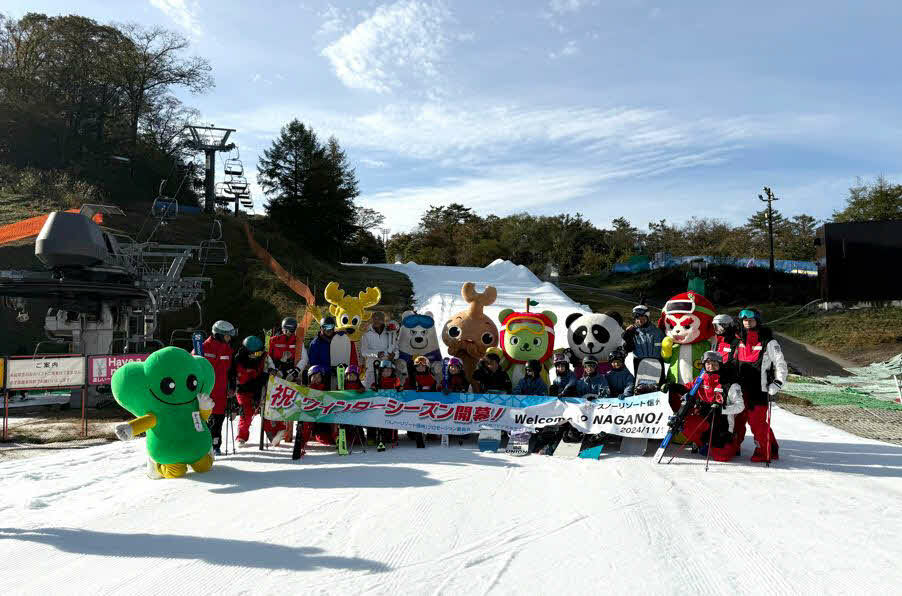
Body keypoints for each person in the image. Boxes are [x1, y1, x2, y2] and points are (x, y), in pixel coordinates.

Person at [733, 308, 787, 462]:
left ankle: (766, 450)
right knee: (737, 419)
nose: (747, 323)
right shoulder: (738, 340)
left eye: (750, 320)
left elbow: (780, 364)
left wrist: (777, 383)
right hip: (740, 387)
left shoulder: (768, 341)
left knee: (757, 422)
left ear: (757, 321)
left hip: (759, 388)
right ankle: (733, 445)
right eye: (744, 320)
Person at [669, 350, 745, 462]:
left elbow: (740, 406)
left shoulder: (729, 383)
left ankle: (731, 442)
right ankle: (702, 443)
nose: (711, 366)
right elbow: (688, 388)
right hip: (704, 417)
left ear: (720, 365)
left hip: (721, 422)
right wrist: (672, 386)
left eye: (715, 364)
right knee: (683, 423)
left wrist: (721, 408)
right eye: (708, 364)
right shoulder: (701, 379)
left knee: (721, 457)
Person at [195, 320, 234, 455]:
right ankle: (202, 447)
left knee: (218, 420)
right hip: (206, 392)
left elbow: (230, 370)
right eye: (227, 335)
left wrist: (232, 386)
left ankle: (215, 445)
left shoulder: (228, 349)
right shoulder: (202, 347)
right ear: (219, 334)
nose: (229, 338)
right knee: (205, 420)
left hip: (221, 391)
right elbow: (192, 367)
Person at [233, 336, 278, 448]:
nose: (257, 356)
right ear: (248, 352)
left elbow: (271, 366)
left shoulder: (264, 356)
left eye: (259, 353)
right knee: (246, 413)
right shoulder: (239, 360)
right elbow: (242, 379)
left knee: (267, 410)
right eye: (255, 354)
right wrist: (258, 378)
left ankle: (273, 434)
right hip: (244, 390)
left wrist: (271, 371)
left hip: (259, 388)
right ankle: (241, 437)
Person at [360, 311, 399, 387]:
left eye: (380, 319)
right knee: (370, 389)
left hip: (387, 368)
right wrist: (376, 353)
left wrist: (394, 355)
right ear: (372, 320)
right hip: (372, 366)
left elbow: (396, 349)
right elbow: (364, 352)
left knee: (387, 389)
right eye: (375, 319)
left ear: (384, 320)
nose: (377, 321)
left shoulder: (390, 332)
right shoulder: (366, 333)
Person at [267, 316, 309, 383]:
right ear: (283, 329)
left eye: (292, 331)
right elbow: (267, 356)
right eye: (287, 330)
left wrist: (296, 371)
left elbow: (304, 358)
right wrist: (272, 368)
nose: (289, 333)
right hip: (276, 370)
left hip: (291, 371)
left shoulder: (297, 341)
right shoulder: (273, 340)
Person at [308, 316, 337, 389]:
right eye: (325, 327)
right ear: (321, 328)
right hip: (321, 377)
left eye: (330, 327)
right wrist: (329, 369)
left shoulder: (337, 340)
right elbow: (314, 364)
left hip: (337, 374)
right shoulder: (315, 343)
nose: (328, 329)